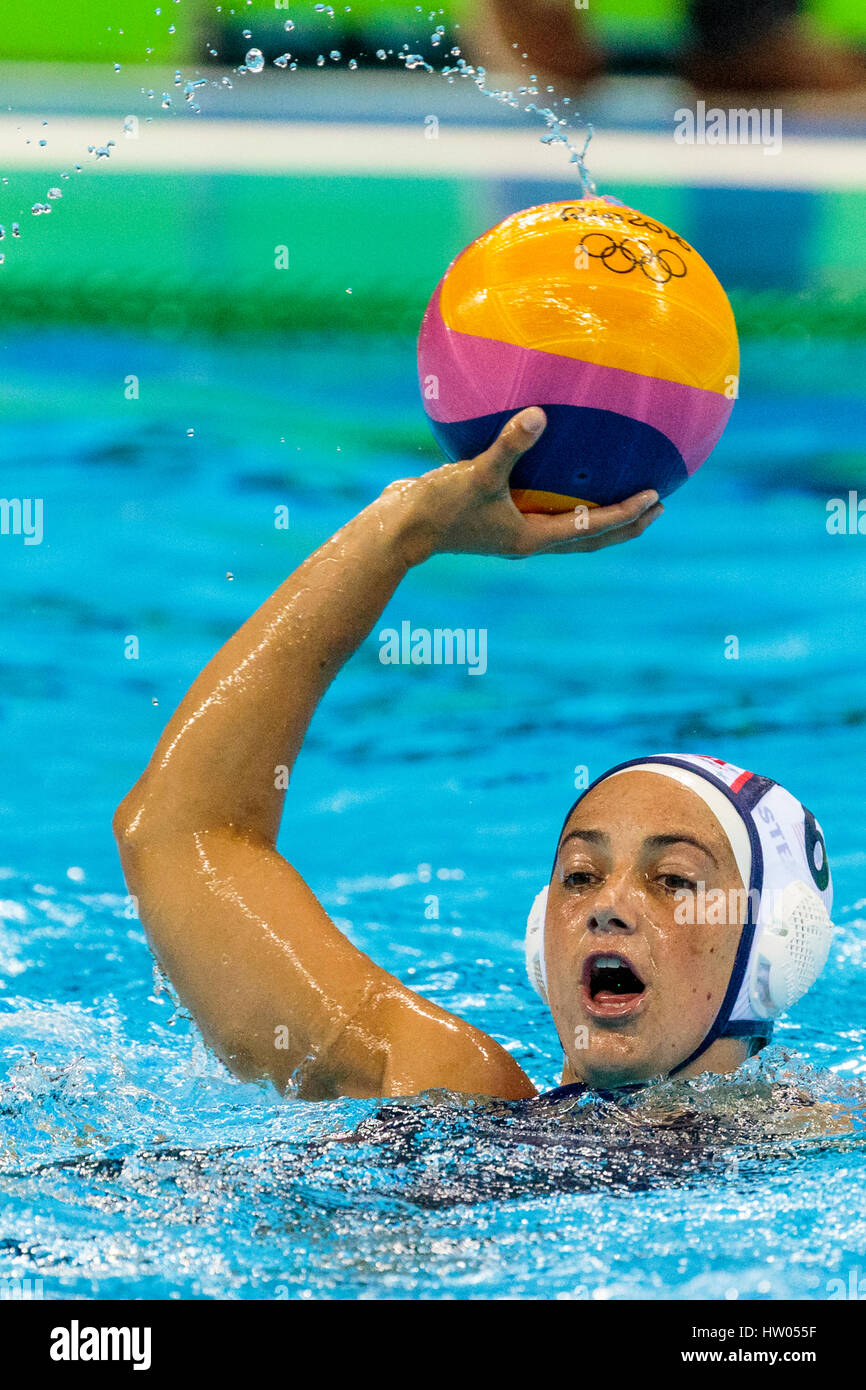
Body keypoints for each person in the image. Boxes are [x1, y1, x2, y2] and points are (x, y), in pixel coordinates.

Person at [113, 408, 832, 1103]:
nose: (607, 908)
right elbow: (177, 832)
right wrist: (404, 527)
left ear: (773, 942)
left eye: (674, 880)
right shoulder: (449, 1082)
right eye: (579, 876)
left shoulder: (828, 1143)